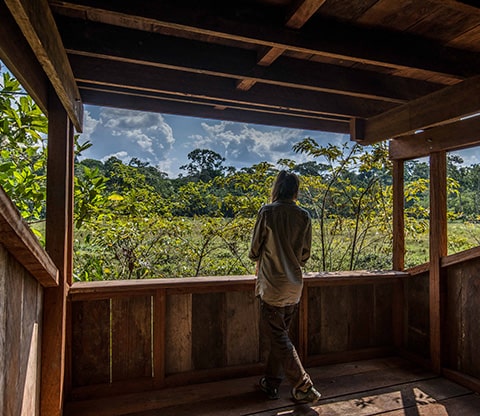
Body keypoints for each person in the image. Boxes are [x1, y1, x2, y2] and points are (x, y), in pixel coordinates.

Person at [248, 170, 321, 404]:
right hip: (294, 287)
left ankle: (303, 385)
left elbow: (254, 250)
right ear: (295, 190)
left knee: (279, 338)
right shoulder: (304, 216)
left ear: (277, 188)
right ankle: (271, 383)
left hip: (272, 287)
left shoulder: (267, 212)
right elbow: (305, 255)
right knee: (281, 337)